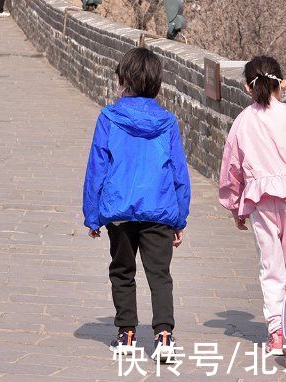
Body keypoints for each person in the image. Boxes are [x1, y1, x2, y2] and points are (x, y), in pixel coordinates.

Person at [84, 48, 190, 362]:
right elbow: (178, 173)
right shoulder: (167, 122)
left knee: (122, 271)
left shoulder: (108, 118)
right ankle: (164, 337)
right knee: (160, 275)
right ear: (157, 84)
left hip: (119, 210)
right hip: (158, 209)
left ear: (124, 81)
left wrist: (93, 215)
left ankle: (126, 333)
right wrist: (179, 219)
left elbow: (97, 168)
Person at [218, 56, 286, 356]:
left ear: (247, 87)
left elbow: (231, 167)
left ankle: (277, 332)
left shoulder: (243, 121)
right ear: (281, 84)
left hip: (258, 199)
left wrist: (234, 205)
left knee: (271, 266)